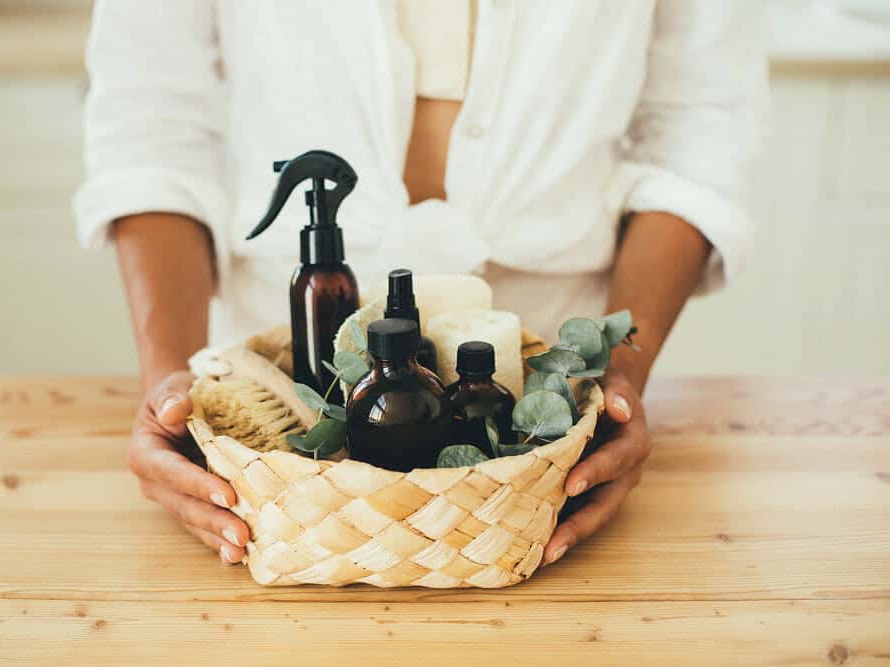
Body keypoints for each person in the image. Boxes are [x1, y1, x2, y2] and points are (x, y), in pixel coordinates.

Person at [75, 1, 768, 567]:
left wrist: (616, 383)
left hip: (550, 409)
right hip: (279, 424)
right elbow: (151, 118)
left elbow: (699, 121)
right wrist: (170, 385)